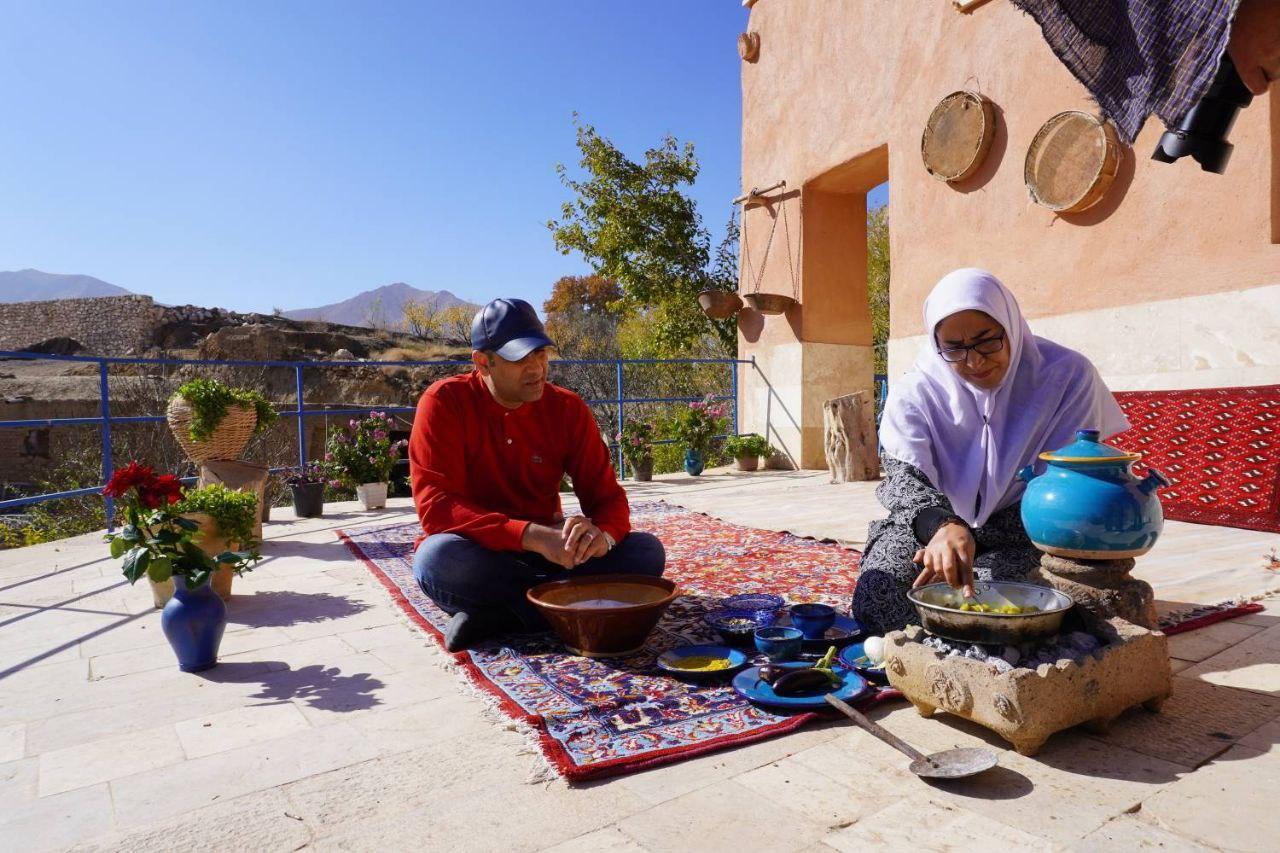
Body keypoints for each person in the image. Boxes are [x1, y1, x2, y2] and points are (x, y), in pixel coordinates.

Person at [851, 269, 1129, 635]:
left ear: (1010, 325)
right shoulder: (917, 390)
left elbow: (1073, 478)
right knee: (880, 595)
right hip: (933, 523)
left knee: (1000, 599)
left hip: (1025, 529)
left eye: (987, 341)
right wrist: (944, 526)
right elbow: (904, 481)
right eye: (954, 348)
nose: (974, 362)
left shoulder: (1065, 376)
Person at [408, 297, 666, 651]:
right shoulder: (444, 403)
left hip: (553, 554)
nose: (536, 369)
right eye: (519, 359)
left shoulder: (567, 408)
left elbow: (607, 498)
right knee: (437, 560)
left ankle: (504, 618)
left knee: (644, 553)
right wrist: (531, 536)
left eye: (541, 354)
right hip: (483, 554)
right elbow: (436, 508)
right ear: (483, 362)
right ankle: (553, 605)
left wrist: (600, 536)